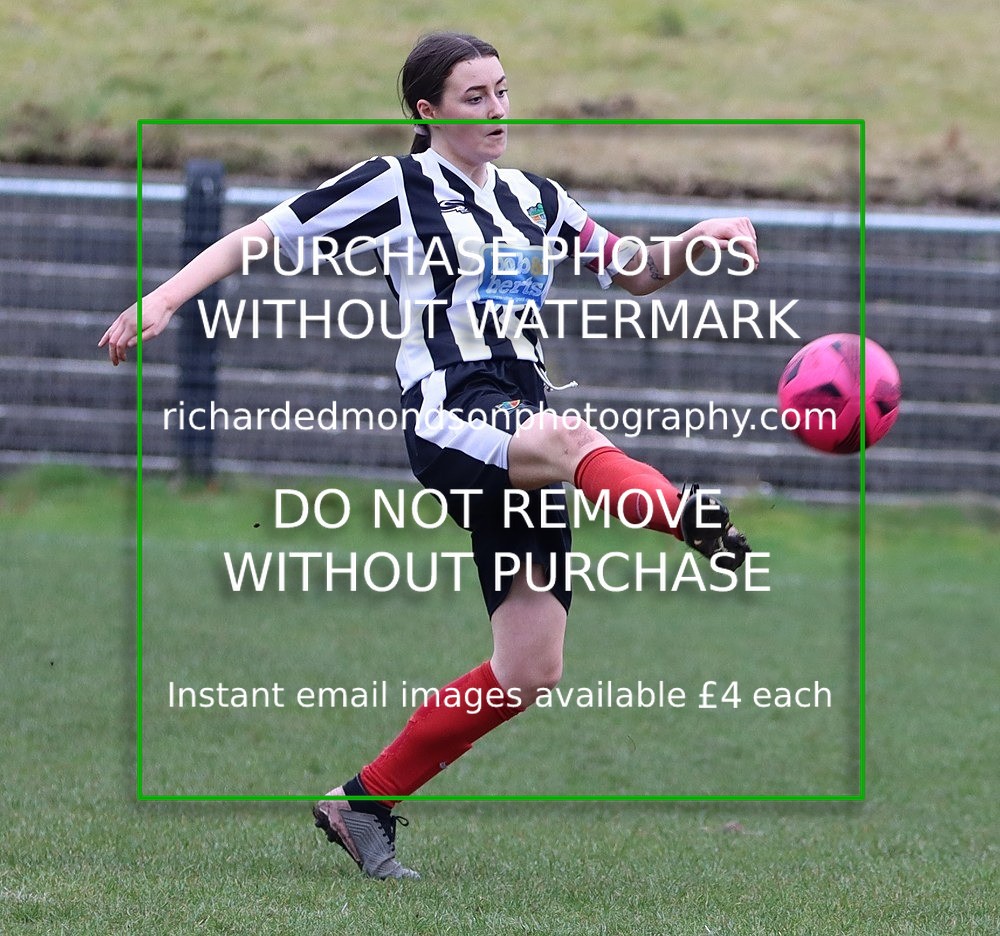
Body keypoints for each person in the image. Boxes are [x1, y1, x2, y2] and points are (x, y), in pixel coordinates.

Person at [101, 31, 756, 880]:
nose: (497, 110)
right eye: (475, 96)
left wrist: (697, 237)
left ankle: (362, 801)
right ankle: (683, 516)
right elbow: (259, 235)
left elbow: (630, 270)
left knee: (529, 669)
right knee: (571, 439)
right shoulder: (393, 184)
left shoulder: (534, 198)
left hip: (522, 426)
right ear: (427, 110)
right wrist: (162, 301)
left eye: (503, 91)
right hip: (455, 414)